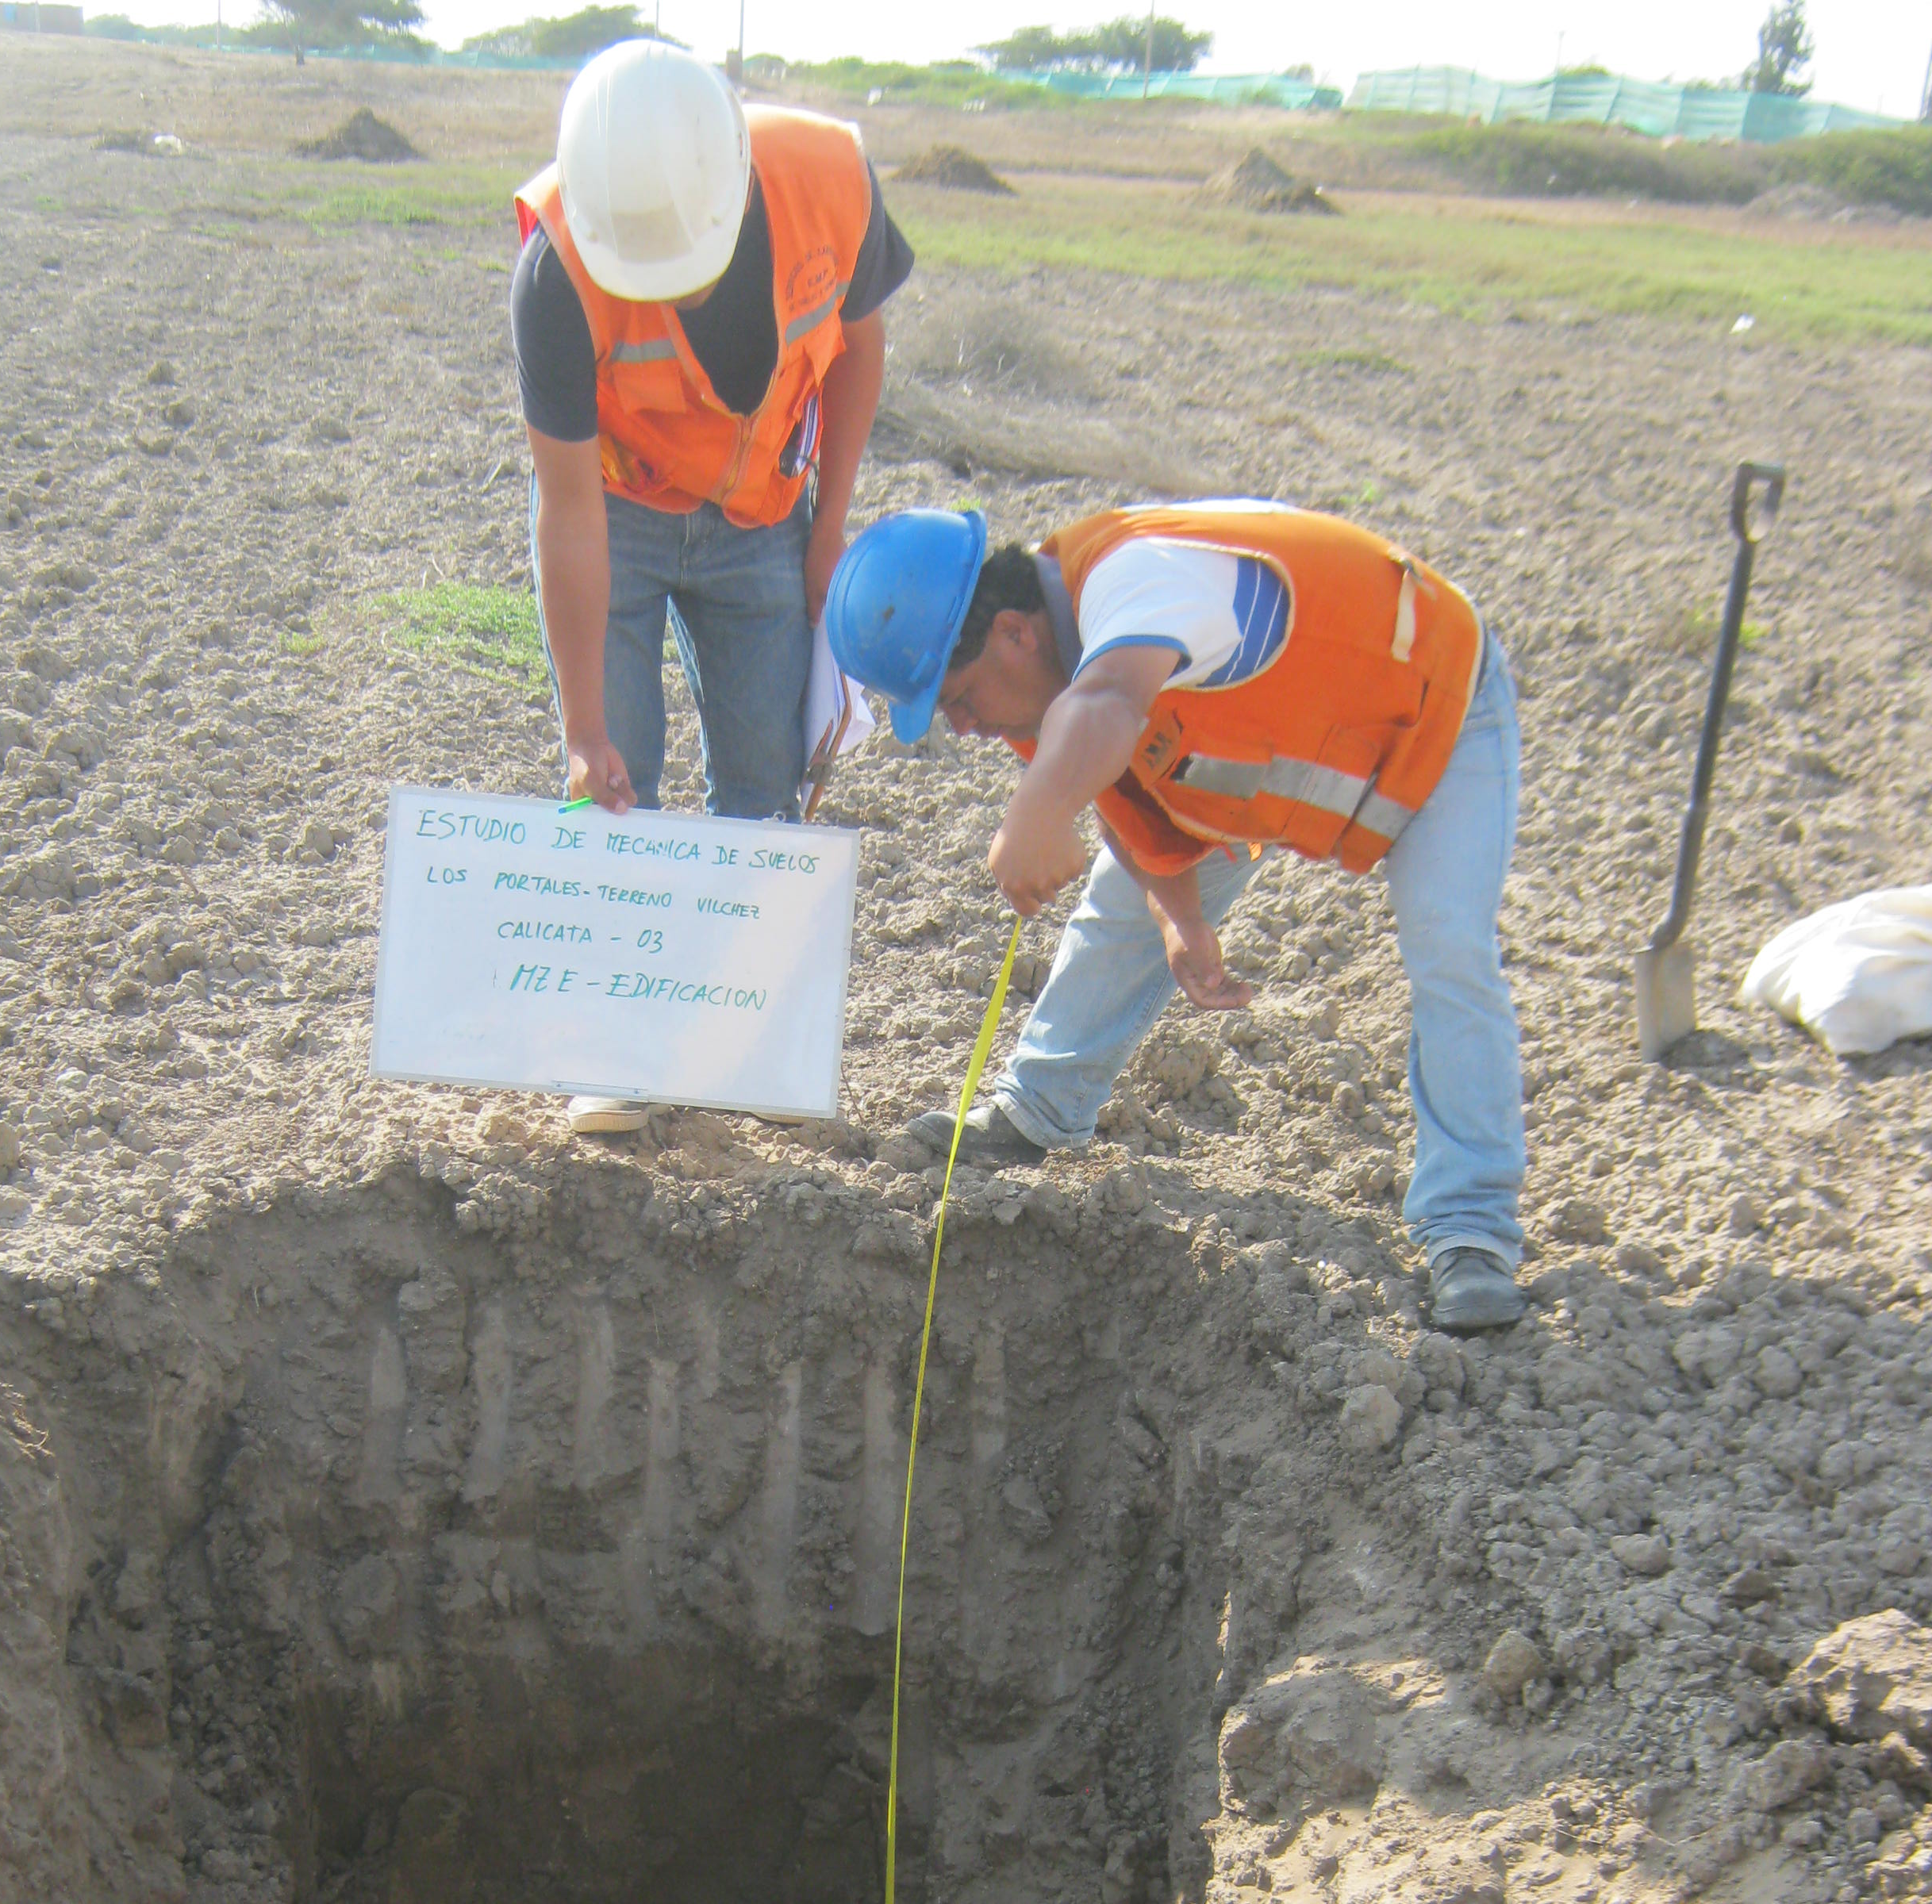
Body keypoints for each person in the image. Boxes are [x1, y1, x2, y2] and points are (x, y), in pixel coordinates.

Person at [824, 501, 1528, 1333]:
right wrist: (1179, 916)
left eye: (961, 697)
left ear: (1014, 632)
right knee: (1121, 905)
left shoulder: (1144, 581)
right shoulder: (1050, 682)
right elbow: (1130, 799)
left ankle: (1470, 1231)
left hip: (1437, 717)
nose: (966, 727)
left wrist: (1035, 815)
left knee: (1449, 947)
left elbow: (1114, 705)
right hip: (1269, 763)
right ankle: (1037, 1110)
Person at [513, 40, 916, 827]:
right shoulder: (556, 269)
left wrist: (828, 528)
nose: (681, 289)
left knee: (766, 799)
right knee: (610, 802)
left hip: (762, 514)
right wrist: (585, 734)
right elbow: (567, 511)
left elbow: (857, 351)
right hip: (615, 509)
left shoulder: (829, 179)